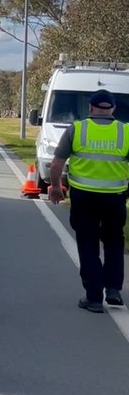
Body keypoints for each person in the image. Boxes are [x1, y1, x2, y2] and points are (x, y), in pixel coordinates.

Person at [47, 89, 128, 312]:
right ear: (112, 109)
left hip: (84, 198)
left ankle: (93, 297)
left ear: (90, 108)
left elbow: (56, 163)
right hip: (115, 198)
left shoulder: (78, 129)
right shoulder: (126, 131)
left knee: (88, 243)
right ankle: (113, 289)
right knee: (114, 241)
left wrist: (55, 187)